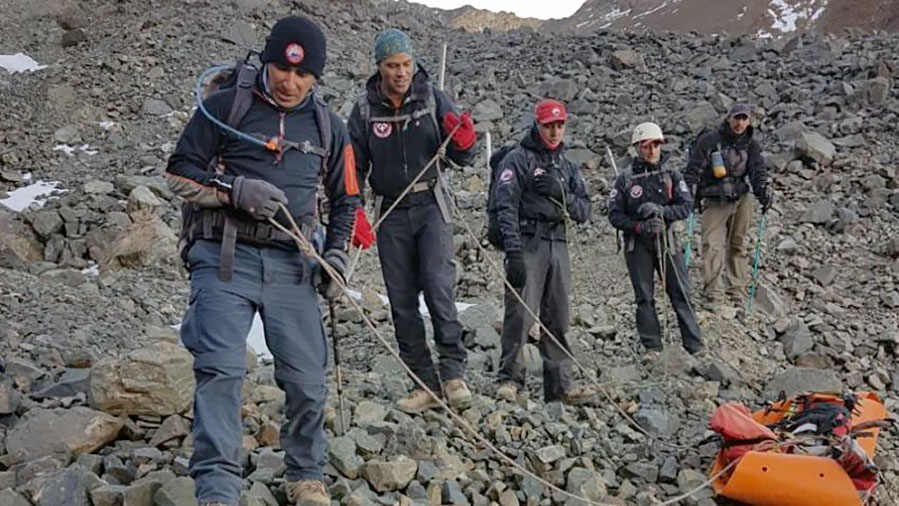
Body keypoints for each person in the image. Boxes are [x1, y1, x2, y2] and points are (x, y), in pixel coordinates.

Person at [165, 16, 359, 506]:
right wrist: (233, 190)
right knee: (221, 371)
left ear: (316, 77)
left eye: (303, 74)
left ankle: (306, 475)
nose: (290, 82)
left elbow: (347, 200)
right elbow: (179, 172)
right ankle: (218, 488)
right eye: (282, 69)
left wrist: (336, 256)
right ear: (267, 62)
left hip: (293, 264)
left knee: (307, 381)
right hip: (223, 257)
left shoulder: (329, 128)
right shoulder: (224, 106)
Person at [347, 28, 477, 414]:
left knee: (438, 286)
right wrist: (353, 208)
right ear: (379, 67)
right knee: (401, 299)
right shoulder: (365, 109)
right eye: (392, 66)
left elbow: (461, 155)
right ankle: (424, 383)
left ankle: (453, 374)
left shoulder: (432, 97)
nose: (401, 72)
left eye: (406, 64)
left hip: (430, 203)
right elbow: (353, 164)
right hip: (390, 211)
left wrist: (464, 141)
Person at [493, 98, 596, 404]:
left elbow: (584, 210)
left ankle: (560, 386)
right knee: (520, 313)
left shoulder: (567, 166)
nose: (555, 132)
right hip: (528, 241)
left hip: (558, 243)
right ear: (537, 125)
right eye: (549, 125)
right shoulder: (518, 159)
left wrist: (560, 193)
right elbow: (505, 205)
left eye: (559, 125)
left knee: (558, 316)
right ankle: (510, 378)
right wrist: (513, 251)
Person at [608, 122, 704, 358]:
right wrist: (638, 226)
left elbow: (686, 206)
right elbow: (614, 215)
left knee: (681, 293)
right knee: (644, 297)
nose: (652, 150)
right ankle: (652, 347)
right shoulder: (625, 179)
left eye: (656, 145)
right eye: (646, 146)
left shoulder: (672, 175)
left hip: (668, 239)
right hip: (637, 244)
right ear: (637, 148)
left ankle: (695, 345)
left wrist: (662, 212)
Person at [683, 103, 770, 309]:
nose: (740, 123)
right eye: (736, 118)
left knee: (738, 243)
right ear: (728, 118)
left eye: (744, 119)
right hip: (714, 199)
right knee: (712, 245)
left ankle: (736, 288)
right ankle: (713, 292)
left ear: (749, 121)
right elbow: (693, 169)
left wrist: (763, 192)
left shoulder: (751, 145)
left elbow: (757, 171)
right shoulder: (710, 141)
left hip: (741, 198)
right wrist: (689, 194)